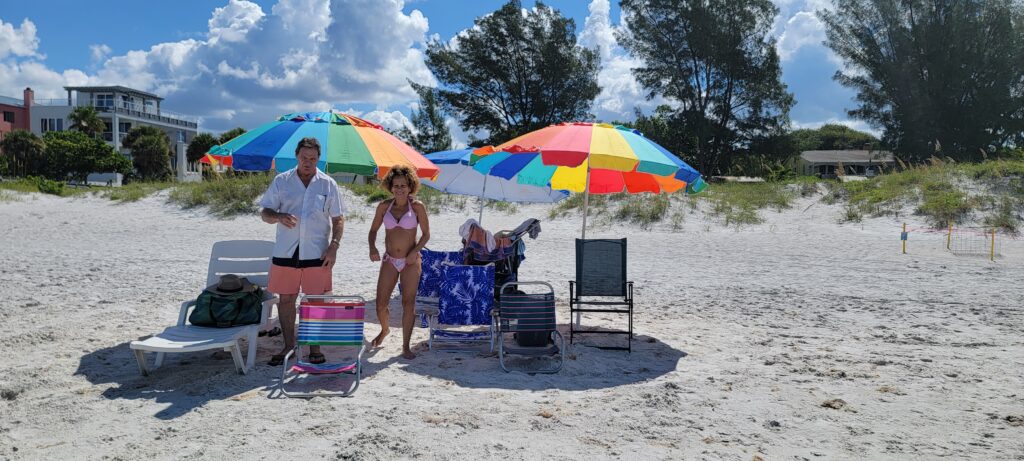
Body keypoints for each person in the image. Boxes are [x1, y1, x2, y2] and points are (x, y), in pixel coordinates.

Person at [259, 137, 346, 366]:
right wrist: (278, 216)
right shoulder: (282, 181)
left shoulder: (328, 184)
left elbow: (338, 219)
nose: (308, 162)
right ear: (296, 156)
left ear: (319, 159)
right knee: (286, 299)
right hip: (286, 251)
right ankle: (289, 346)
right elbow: (264, 212)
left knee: (315, 301)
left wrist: (334, 246)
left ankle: (314, 348)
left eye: (313, 158)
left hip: (317, 252)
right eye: (304, 158)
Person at [367, 165, 430, 359]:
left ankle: (405, 346)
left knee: (408, 303)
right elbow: (373, 231)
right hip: (389, 260)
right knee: (380, 304)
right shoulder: (384, 206)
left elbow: (426, 235)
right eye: (396, 185)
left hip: (411, 261)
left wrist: (415, 252)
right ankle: (385, 329)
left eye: (403, 185)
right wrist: (373, 247)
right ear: (390, 186)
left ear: (410, 186)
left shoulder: (418, 207)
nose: (399, 189)